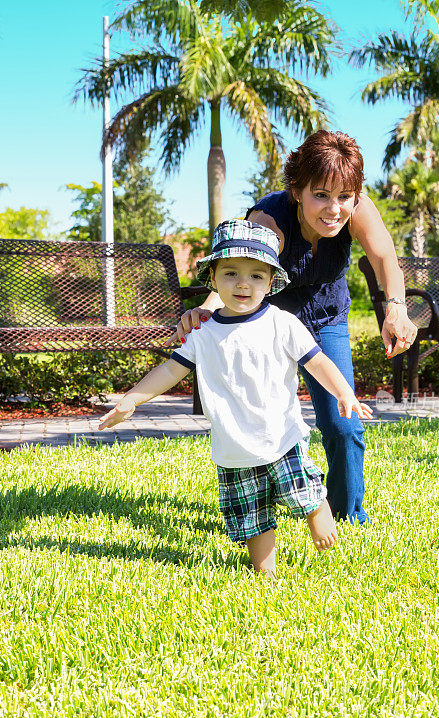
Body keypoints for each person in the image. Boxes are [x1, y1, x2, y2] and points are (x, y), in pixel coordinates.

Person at [165, 130, 417, 525]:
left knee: (341, 421)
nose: (334, 209)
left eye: (344, 196)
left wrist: (396, 309)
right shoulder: (269, 221)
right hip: (270, 325)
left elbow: (385, 257)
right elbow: (240, 276)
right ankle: (269, 496)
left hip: (327, 318)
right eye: (321, 195)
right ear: (297, 190)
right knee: (264, 424)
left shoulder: (358, 207)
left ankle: (347, 514)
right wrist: (206, 311)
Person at [99, 220, 373, 577]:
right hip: (232, 447)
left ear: (271, 283)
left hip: (281, 437)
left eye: (257, 276)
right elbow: (170, 370)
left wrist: (344, 393)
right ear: (212, 279)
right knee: (251, 517)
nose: (243, 283)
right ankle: (266, 572)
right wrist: (132, 398)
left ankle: (318, 511)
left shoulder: (282, 323)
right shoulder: (203, 332)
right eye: (230, 273)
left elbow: (318, 361)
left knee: (301, 488)